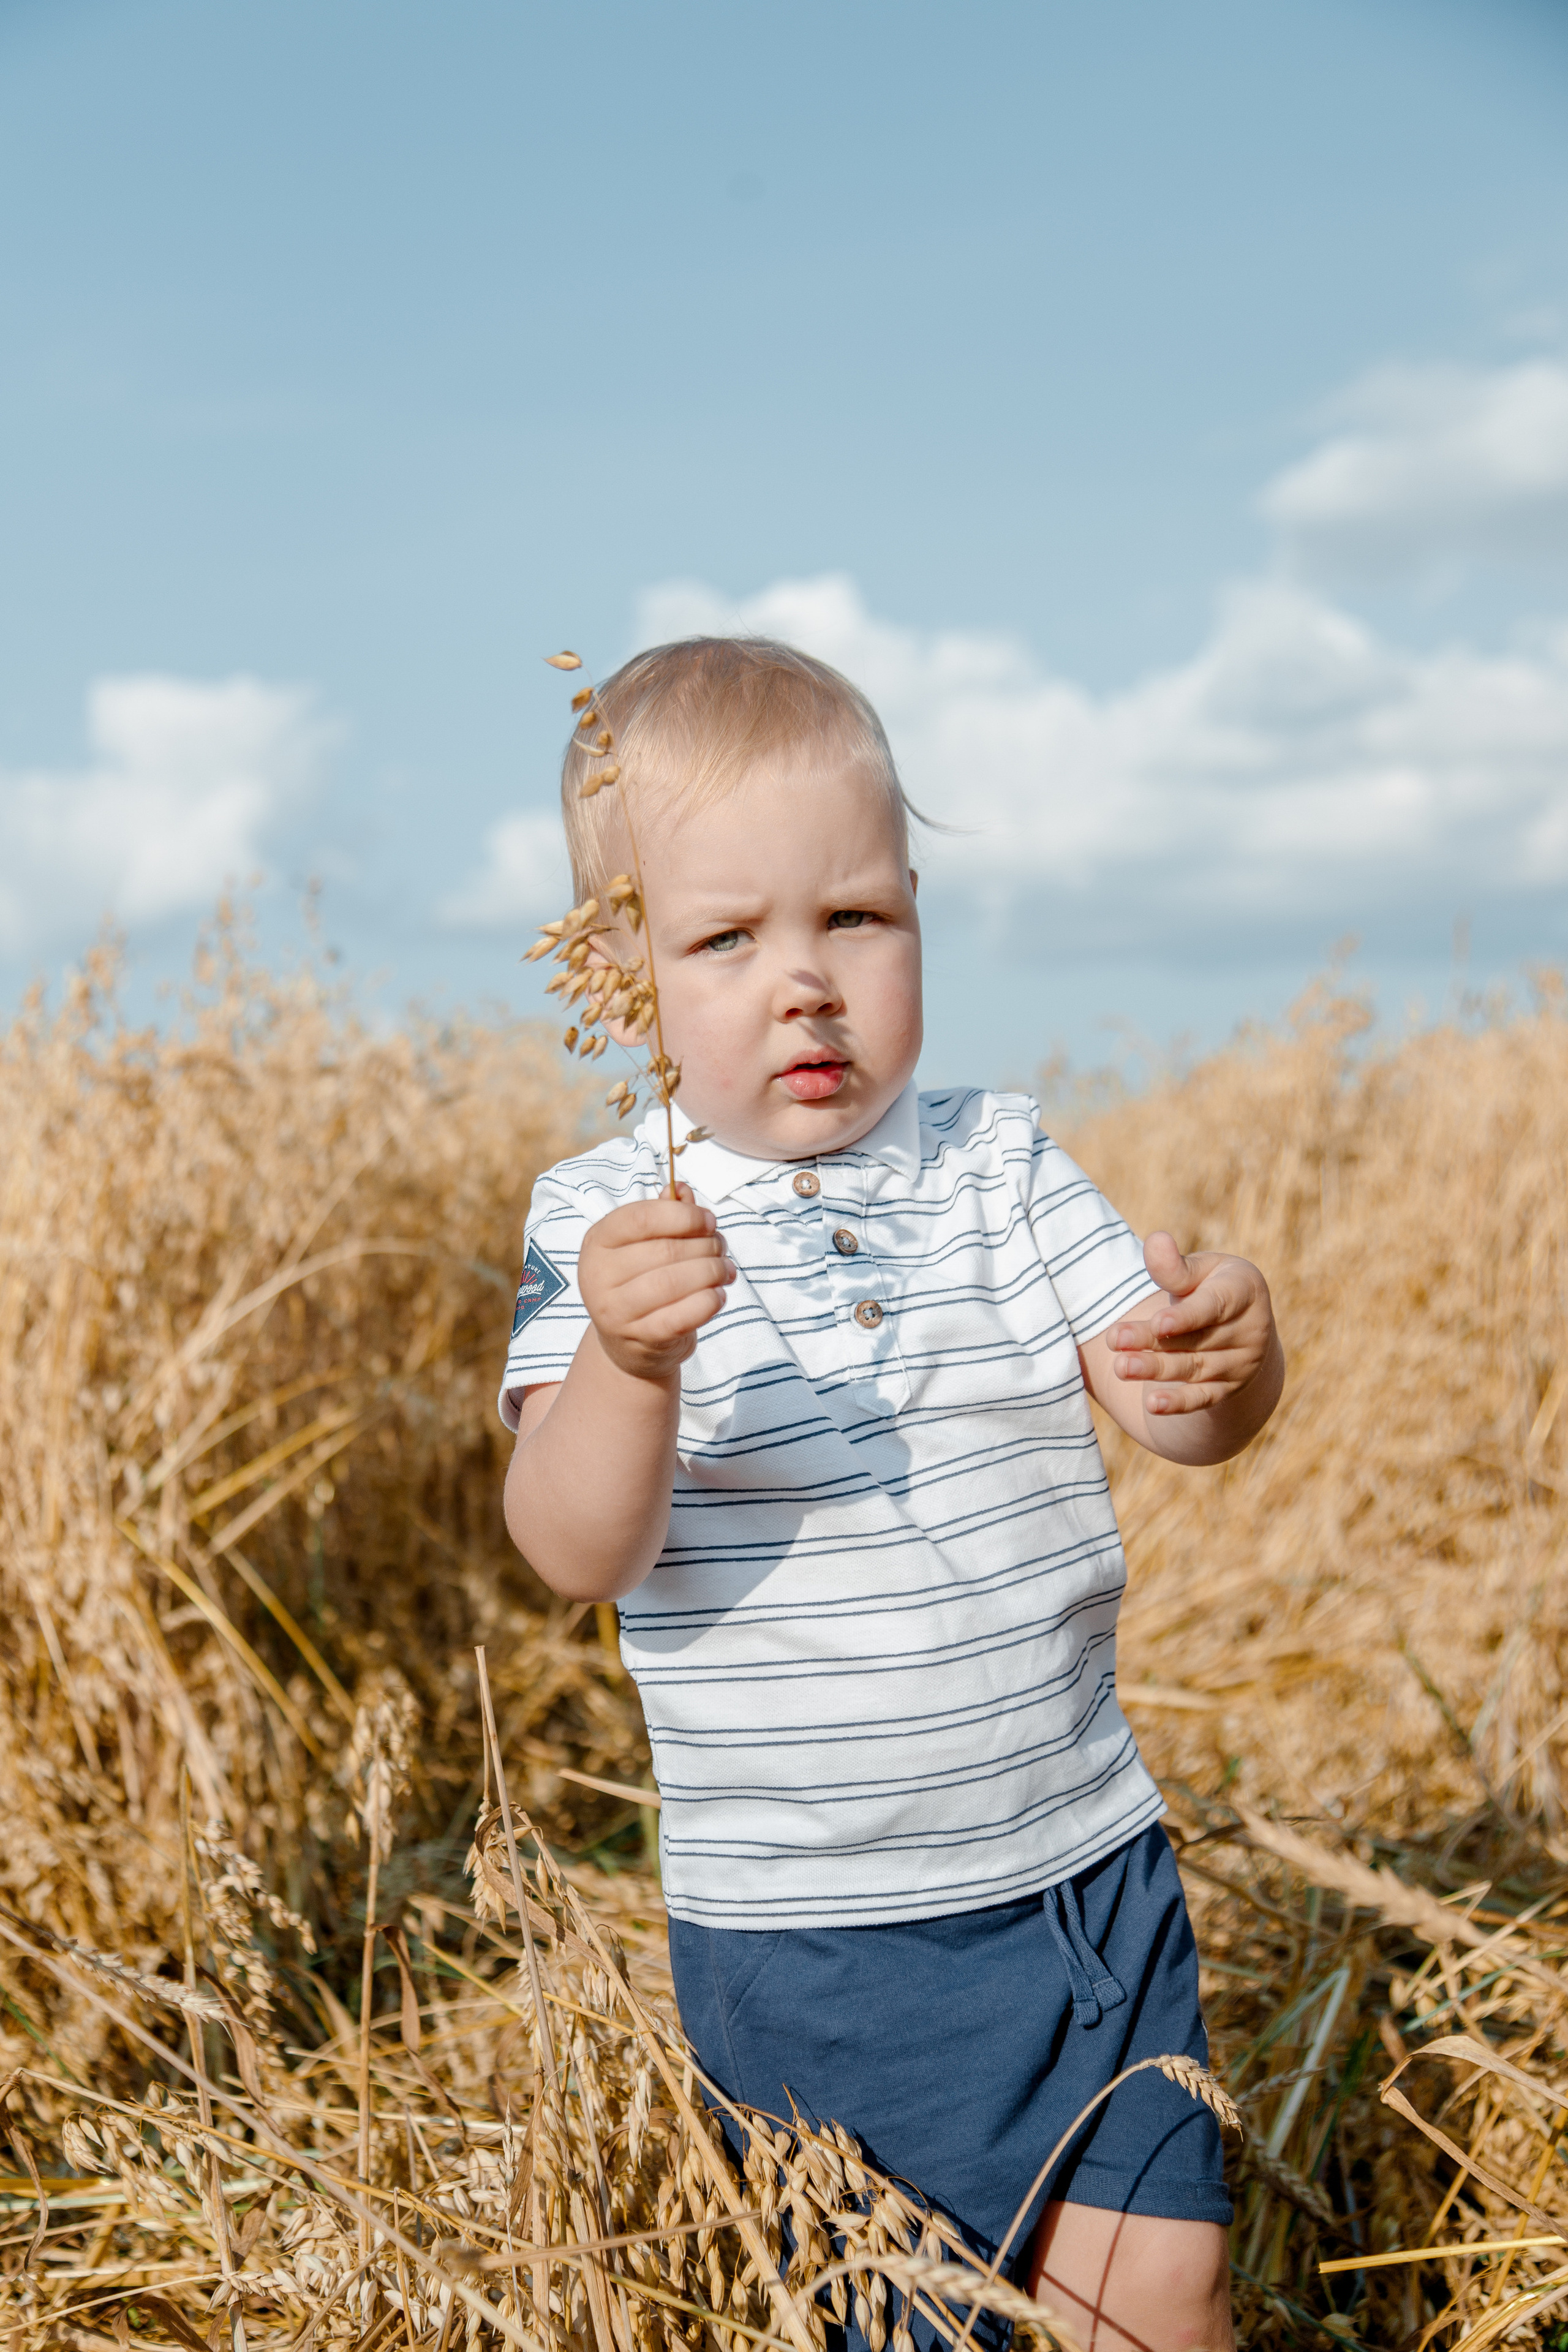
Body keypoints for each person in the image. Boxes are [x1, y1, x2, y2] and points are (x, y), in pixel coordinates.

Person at [499, 637, 1283, 2352]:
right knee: (904, 2327)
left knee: (1160, 2302)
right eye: (726, 938)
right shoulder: (612, 1222)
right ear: (621, 975)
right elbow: (571, 1545)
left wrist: (1235, 1358)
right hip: (818, 1945)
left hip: (1089, 1876)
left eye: (854, 918)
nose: (808, 982)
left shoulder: (1001, 1169)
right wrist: (630, 1373)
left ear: (919, 910)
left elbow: (1176, 1418)